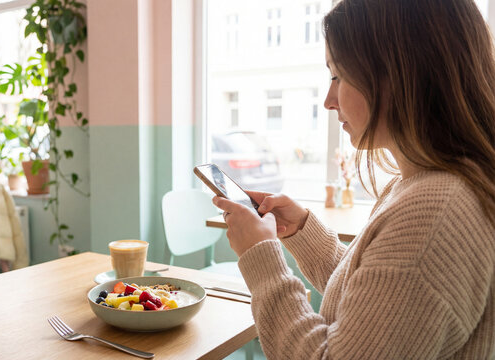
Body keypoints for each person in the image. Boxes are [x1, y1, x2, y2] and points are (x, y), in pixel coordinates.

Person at [212, 0, 495, 358]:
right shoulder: (426, 183)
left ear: (400, 72)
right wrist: (303, 232)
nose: (329, 100)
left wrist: (260, 257)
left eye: (338, 75)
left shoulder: (435, 209)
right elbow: (376, 303)